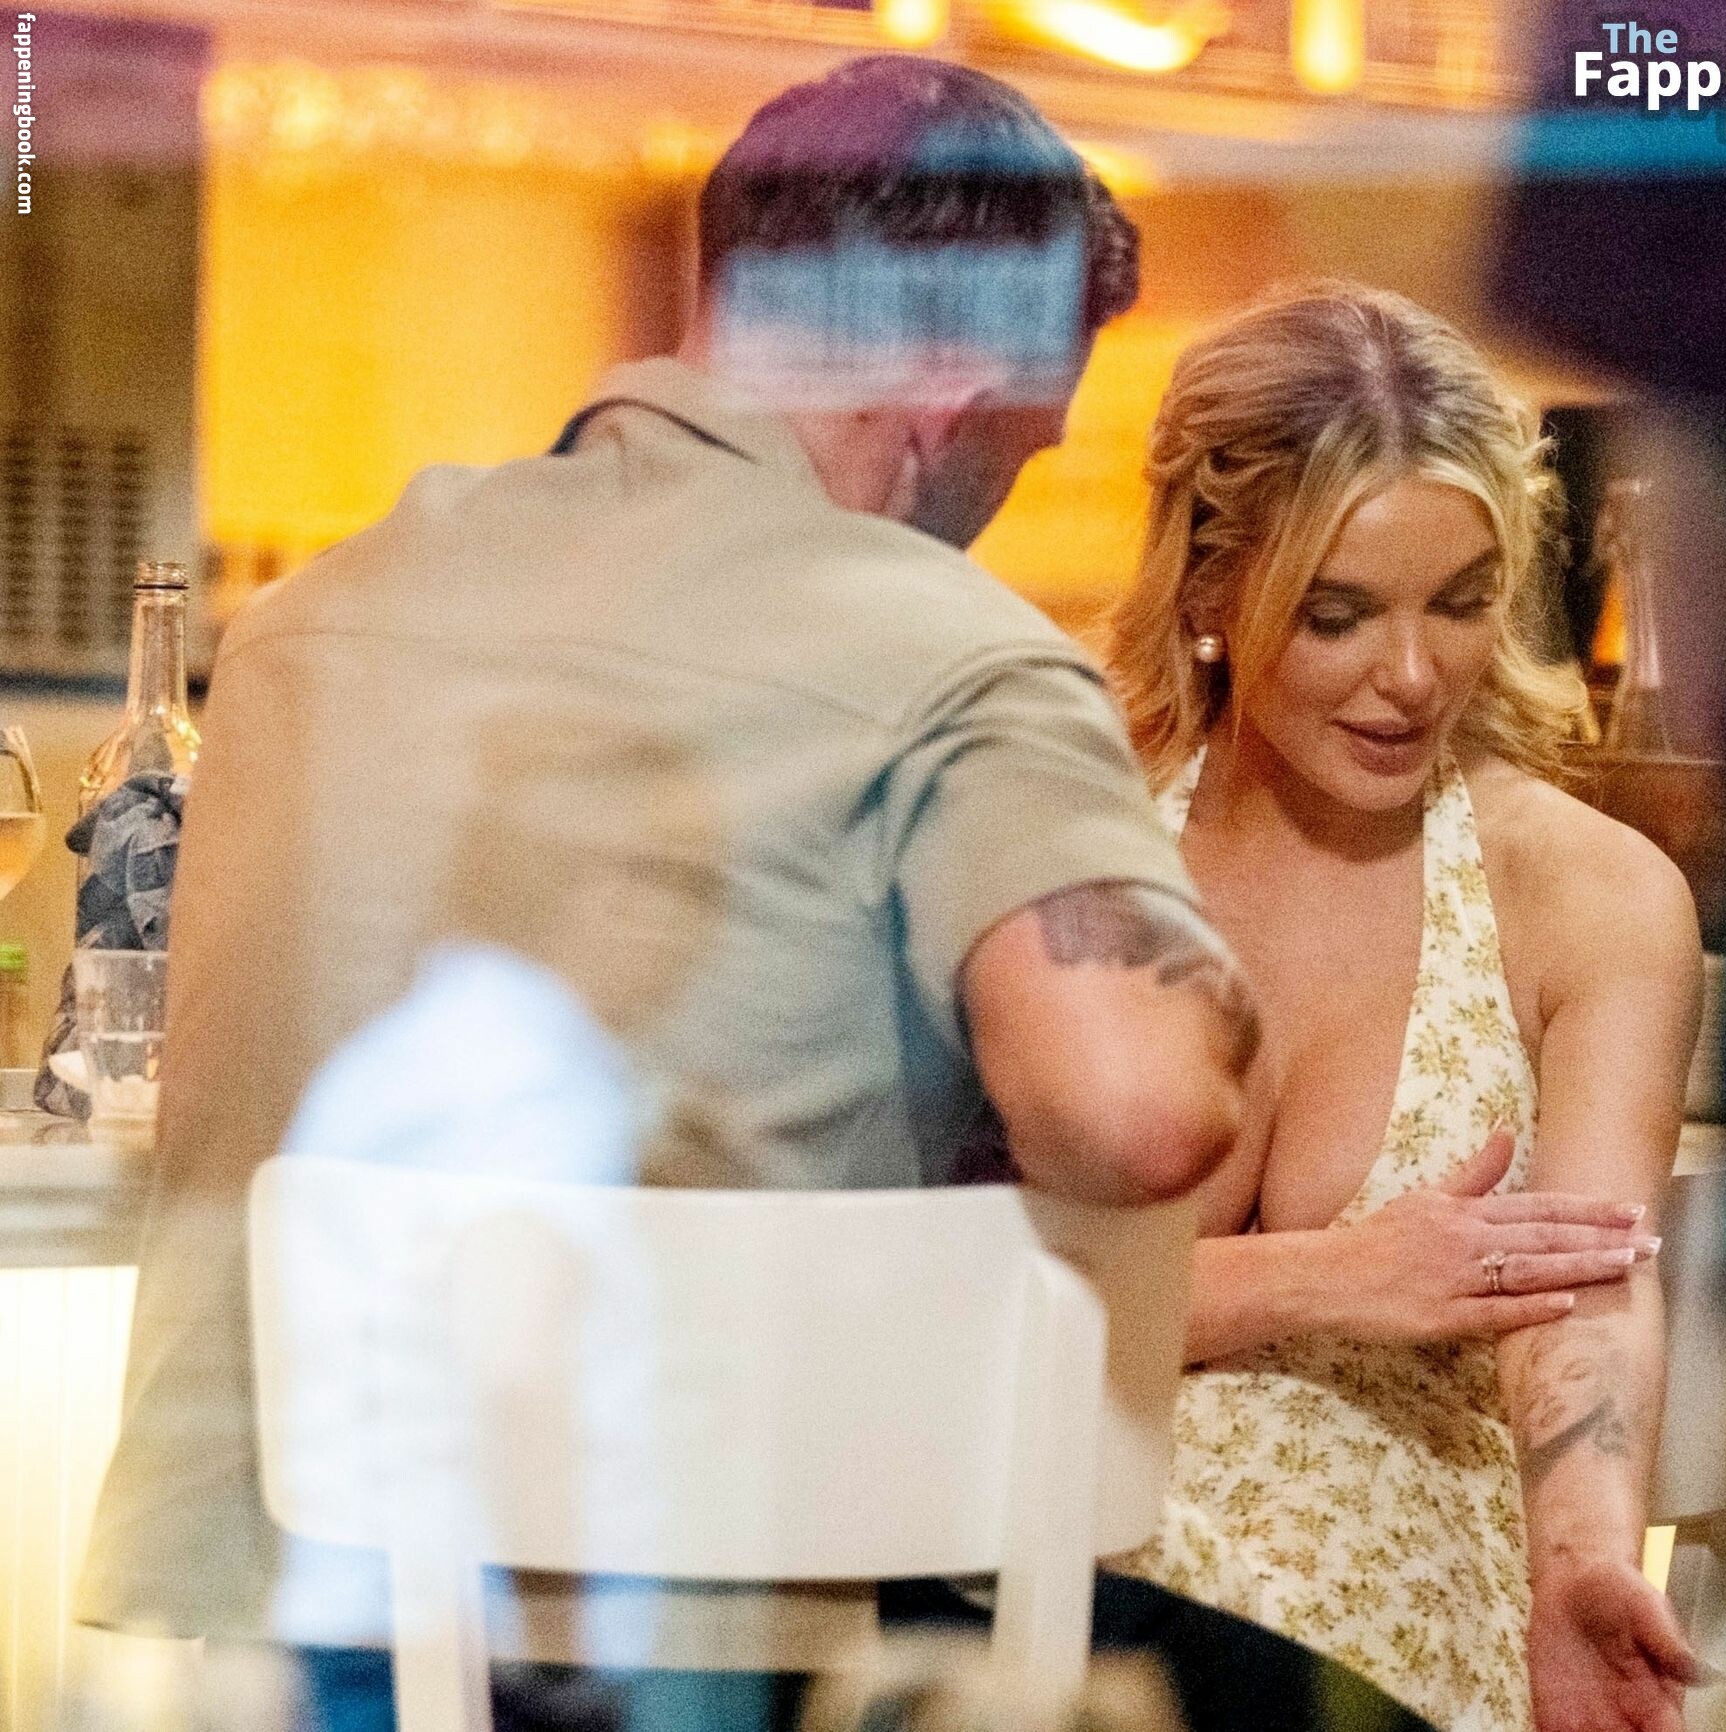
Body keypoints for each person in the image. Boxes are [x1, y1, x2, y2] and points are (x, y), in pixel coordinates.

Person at [73, 55, 1259, 1731]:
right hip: (691, 1650)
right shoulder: (953, 651)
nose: (994, 505)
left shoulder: (297, 631)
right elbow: (1134, 1109)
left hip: (275, 1640)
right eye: (1022, 442)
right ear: (955, 372)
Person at [1101, 282, 1707, 1732]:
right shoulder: (1071, 855)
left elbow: (1588, 1290)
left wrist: (1581, 1562)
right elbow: (967, 1293)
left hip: (1382, 1600)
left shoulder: (1585, 896)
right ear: (1209, 589)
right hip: (1066, 1551)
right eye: (1340, 615)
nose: (1415, 675)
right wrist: (1342, 1276)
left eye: (1462, 601)